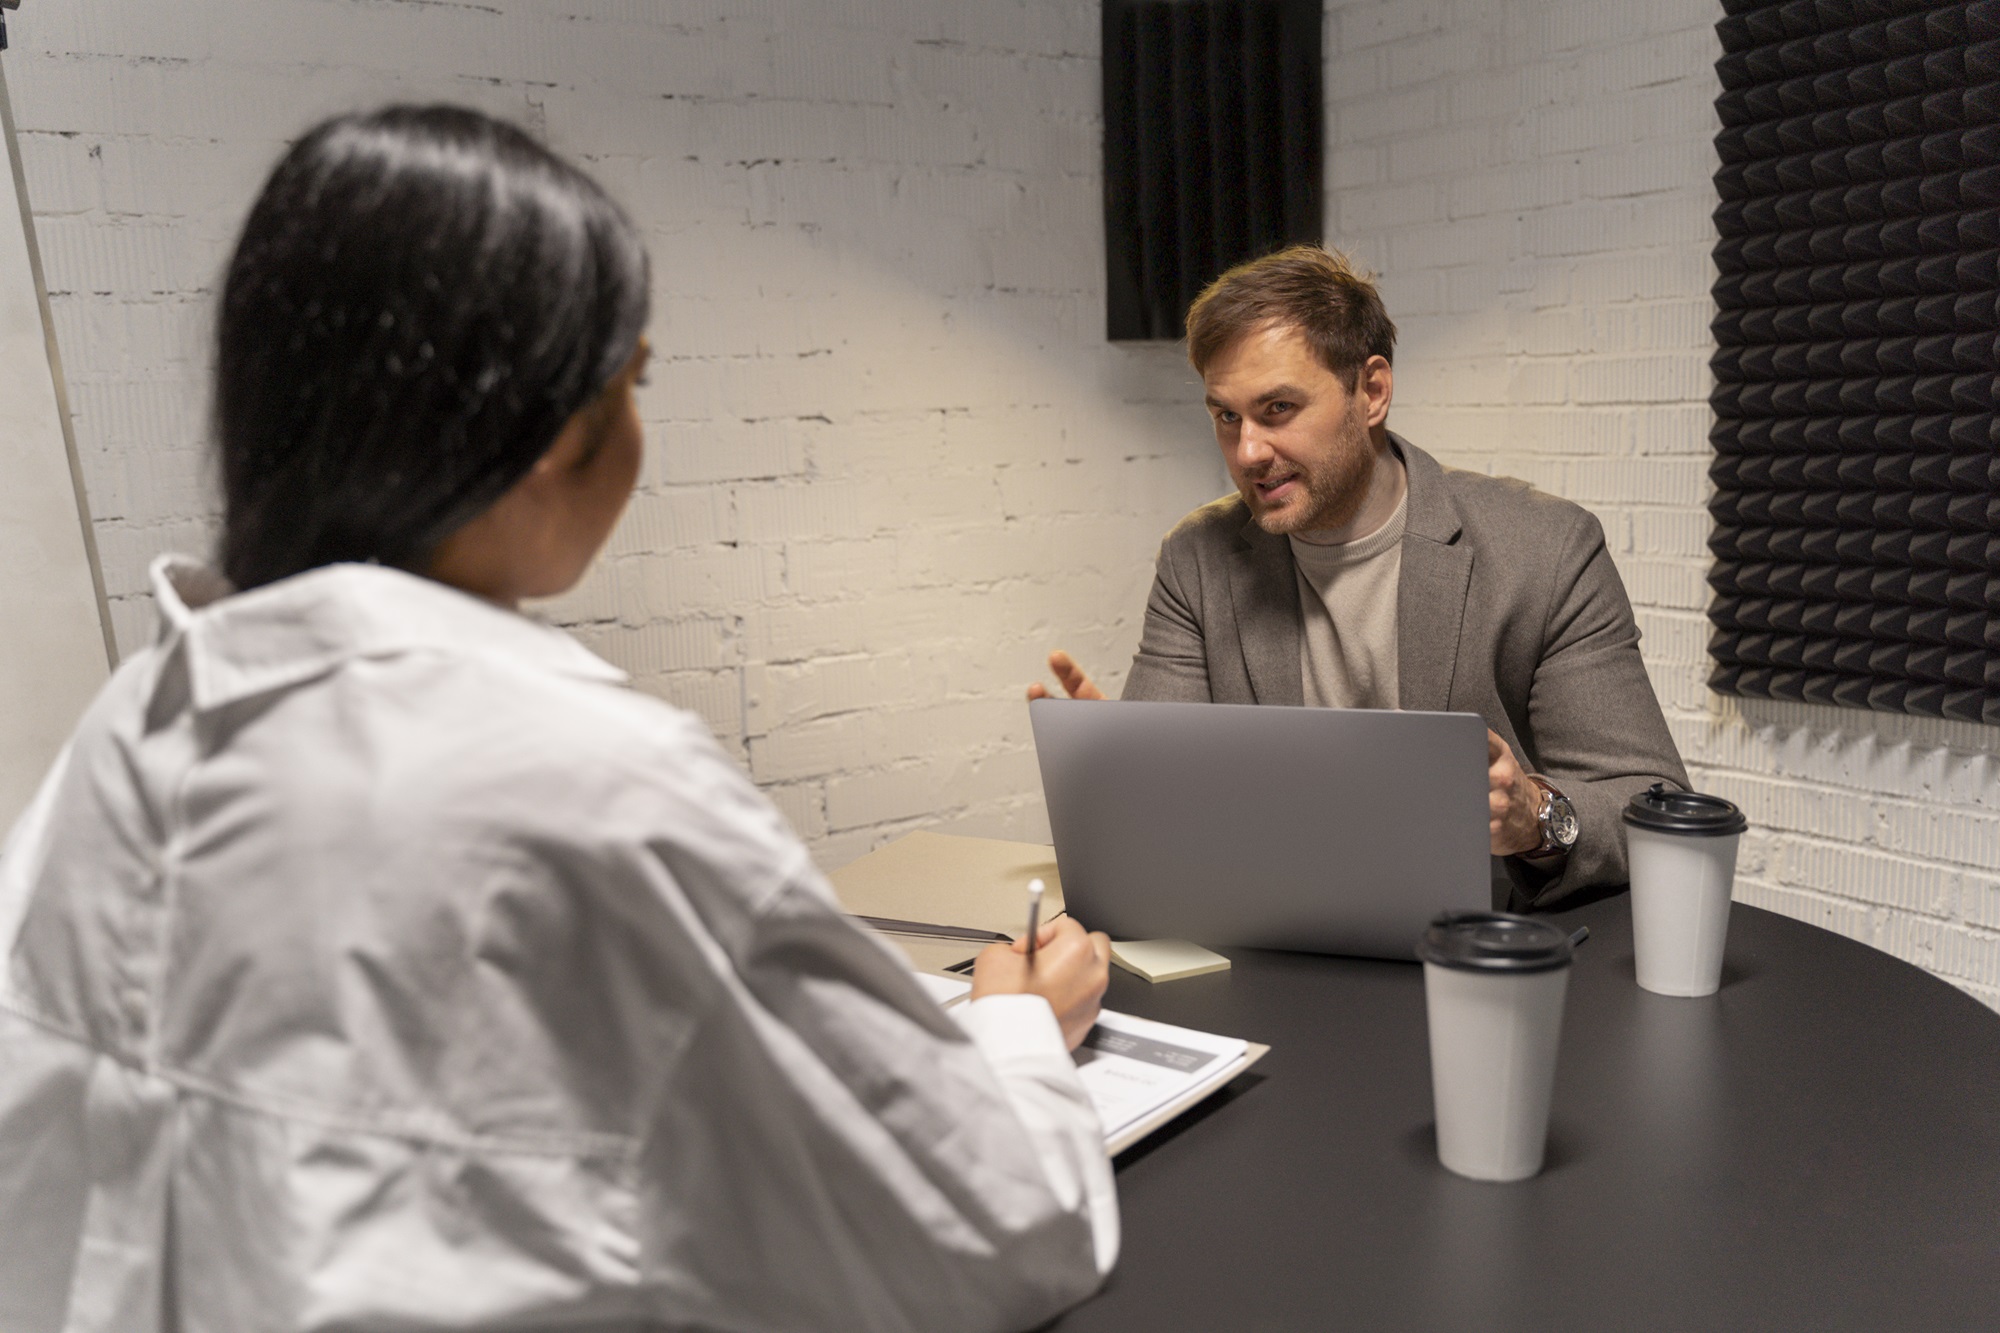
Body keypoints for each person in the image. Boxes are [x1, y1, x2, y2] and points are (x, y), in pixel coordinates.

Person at [0, 105, 1116, 1333]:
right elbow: (997, 1227)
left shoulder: (123, 733)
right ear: (535, 423)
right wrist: (1020, 1026)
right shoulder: (592, 784)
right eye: (630, 382)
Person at [1031, 245, 1687, 909]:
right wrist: (1122, 782)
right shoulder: (1197, 559)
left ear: (1372, 391)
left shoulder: (1544, 549)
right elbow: (1172, 818)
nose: (1248, 451)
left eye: (1278, 408)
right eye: (1227, 416)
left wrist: (1534, 816)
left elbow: (1649, 805)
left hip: (1479, 942)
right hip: (1275, 930)